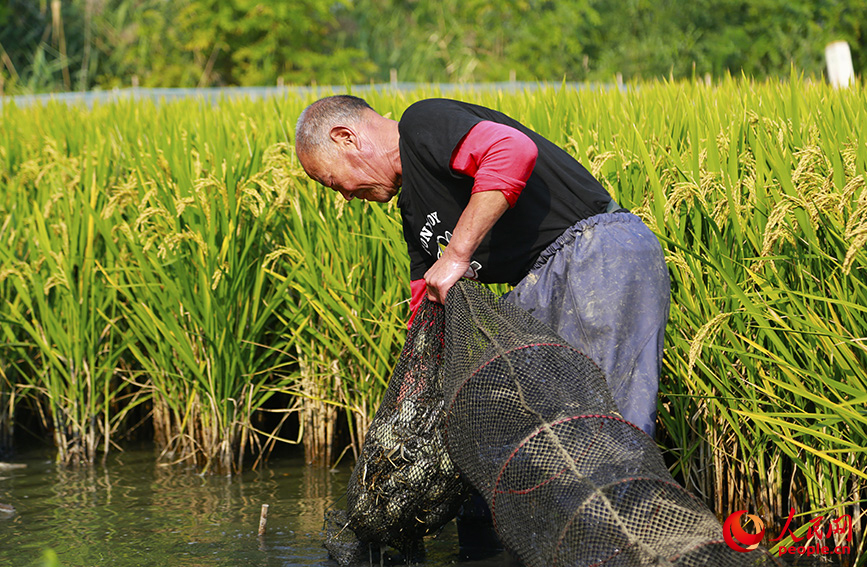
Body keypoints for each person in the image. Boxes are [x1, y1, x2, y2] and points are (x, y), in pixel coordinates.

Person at [294, 94, 670, 438]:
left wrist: (456, 255)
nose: (345, 196)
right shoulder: (413, 210)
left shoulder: (420, 123)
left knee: (608, 424)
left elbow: (511, 150)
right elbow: (425, 303)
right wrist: (412, 393)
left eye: (333, 182)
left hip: (594, 254)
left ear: (346, 138)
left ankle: (628, 507)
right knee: (538, 434)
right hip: (538, 283)